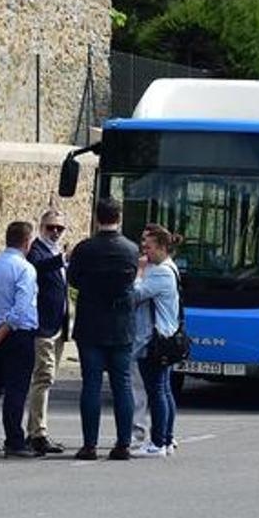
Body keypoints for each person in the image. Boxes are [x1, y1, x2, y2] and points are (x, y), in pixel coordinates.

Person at [68, 197, 139, 462]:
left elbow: (73, 279)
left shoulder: (85, 249)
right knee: (122, 384)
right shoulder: (130, 249)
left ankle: (89, 444)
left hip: (91, 322)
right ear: (118, 217)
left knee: (92, 385)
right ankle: (123, 443)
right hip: (121, 324)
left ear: (97, 218)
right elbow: (132, 279)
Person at [0, 222, 41, 458]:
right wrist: (3, 330)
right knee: (16, 388)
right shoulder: (25, 269)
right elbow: (21, 306)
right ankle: (14, 440)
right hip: (16, 333)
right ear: (27, 242)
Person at [131, 225, 181, 457]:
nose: (144, 250)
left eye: (148, 246)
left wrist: (140, 272)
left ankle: (158, 442)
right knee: (165, 390)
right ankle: (168, 439)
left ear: (161, 247)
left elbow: (136, 295)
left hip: (153, 340)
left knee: (157, 391)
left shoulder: (160, 272)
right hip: (166, 336)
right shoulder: (169, 268)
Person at [25, 210, 71, 456]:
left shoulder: (54, 252)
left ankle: (36, 428)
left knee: (47, 379)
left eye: (59, 228)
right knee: (43, 378)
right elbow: (36, 267)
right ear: (41, 227)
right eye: (51, 227)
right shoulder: (37, 250)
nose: (55, 232)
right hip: (43, 326)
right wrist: (62, 258)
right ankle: (38, 434)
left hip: (58, 326)